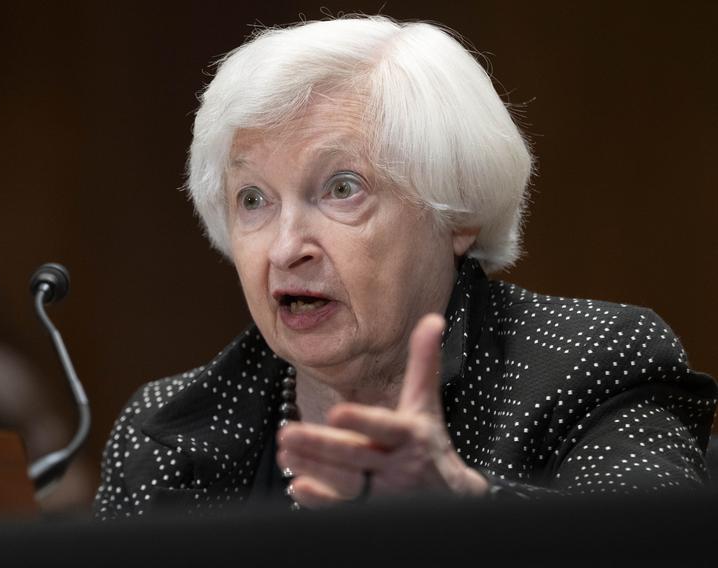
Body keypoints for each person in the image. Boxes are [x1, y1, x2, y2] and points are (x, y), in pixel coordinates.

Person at [94, 16, 717, 519]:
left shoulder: (588, 364)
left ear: (457, 209)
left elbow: (657, 547)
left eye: (342, 188)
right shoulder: (165, 431)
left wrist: (459, 513)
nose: (286, 249)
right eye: (252, 200)